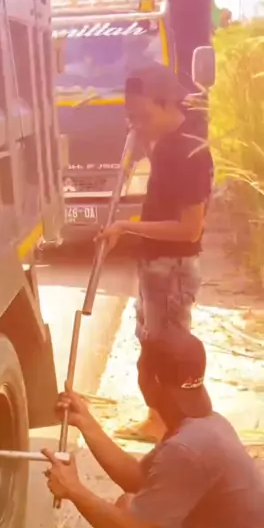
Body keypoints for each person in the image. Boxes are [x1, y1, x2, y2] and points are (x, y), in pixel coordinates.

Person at [43, 329, 264, 528]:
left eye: (140, 368)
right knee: (133, 506)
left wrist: (74, 490)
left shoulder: (187, 449)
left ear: (155, 381)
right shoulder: (205, 424)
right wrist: (86, 422)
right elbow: (138, 479)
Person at [98, 62, 214, 443]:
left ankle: (169, 423)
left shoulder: (190, 151)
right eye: (131, 118)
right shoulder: (167, 144)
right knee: (151, 342)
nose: (136, 125)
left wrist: (127, 227)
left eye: (143, 117)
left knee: (167, 350)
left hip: (172, 269)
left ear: (167, 105)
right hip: (157, 266)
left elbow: (189, 229)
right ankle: (158, 417)